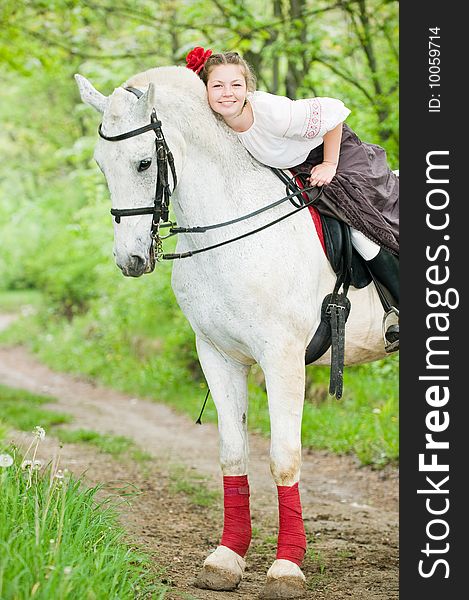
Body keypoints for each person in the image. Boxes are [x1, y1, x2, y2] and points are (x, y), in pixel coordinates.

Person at [186, 48, 399, 351]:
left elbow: (335, 112)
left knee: (357, 222)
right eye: (217, 86)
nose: (227, 93)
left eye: (235, 85)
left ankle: (401, 307)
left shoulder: (272, 113)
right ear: (205, 89)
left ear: (247, 87)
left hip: (335, 154)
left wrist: (329, 164)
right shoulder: (219, 124)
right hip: (300, 167)